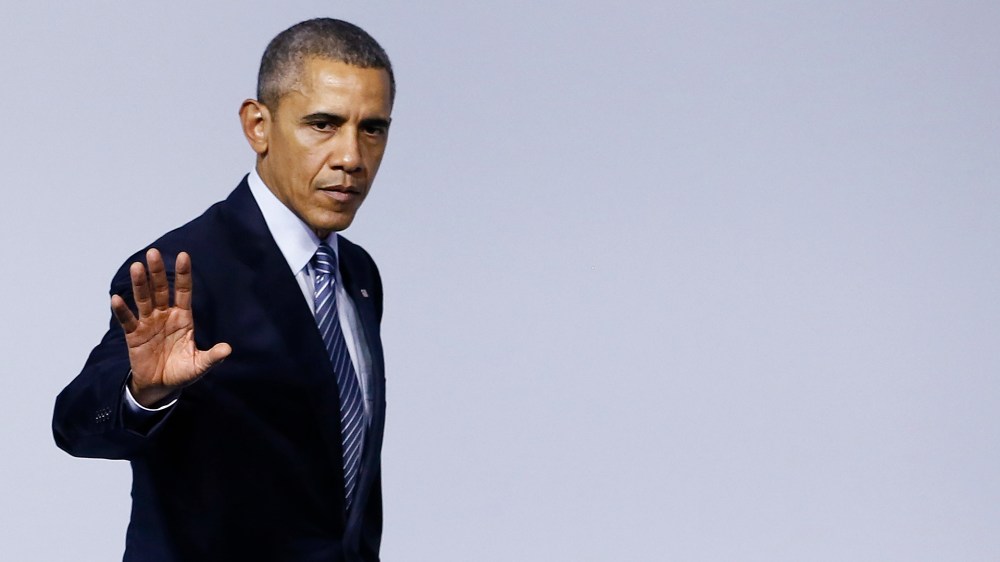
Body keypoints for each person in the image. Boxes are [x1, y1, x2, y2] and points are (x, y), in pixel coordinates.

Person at [52, 18, 394, 561]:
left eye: (372, 128)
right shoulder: (181, 270)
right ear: (258, 125)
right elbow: (75, 425)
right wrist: (142, 395)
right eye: (323, 125)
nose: (352, 157)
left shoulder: (358, 274)